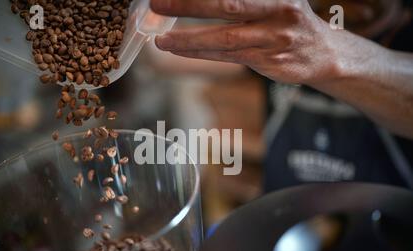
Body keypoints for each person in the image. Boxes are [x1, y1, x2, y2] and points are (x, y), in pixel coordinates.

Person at [150, 0, 413, 191]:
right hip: (283, 227)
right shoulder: (278, 41)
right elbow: (161, 55)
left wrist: (329, 54)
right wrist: (135, 16)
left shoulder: (403, 40)